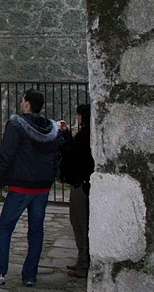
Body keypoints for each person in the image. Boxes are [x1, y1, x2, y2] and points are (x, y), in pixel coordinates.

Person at [0, 89, 61, 287]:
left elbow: (6, 156)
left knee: (5, 229)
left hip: (21, 186)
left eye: (22, 99)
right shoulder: (51, 128)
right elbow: (56, 156)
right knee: (36, 232)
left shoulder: (16, 124)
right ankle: (30, 275)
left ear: (26, 103)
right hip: (42, 188)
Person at [59, 104, 94, 279]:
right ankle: (81, 261)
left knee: (82, 224)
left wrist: (62, 138)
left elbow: (71, 152)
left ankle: (84, 263)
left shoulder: (86, 135)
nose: (77, 118)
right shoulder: (85, 134)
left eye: (79, 115)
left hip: (82, 183)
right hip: (78, 182)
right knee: (77, 222)